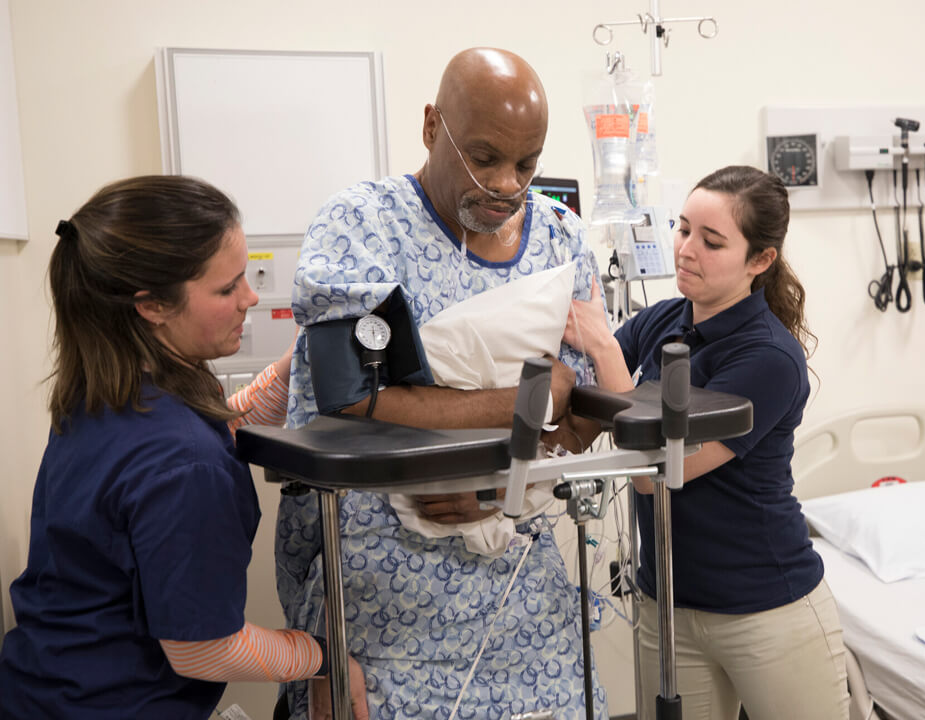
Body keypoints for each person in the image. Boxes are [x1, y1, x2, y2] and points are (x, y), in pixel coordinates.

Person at [275, 47, 608, 720]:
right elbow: (350, 397)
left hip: (518, 584)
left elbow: (582, 419)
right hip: (379, 591)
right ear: (432, 126)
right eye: (484, 158)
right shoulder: (362, 226)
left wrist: (498, 488)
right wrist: (525, 402)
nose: (506, 185)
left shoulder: (560, 239)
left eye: (527, 164)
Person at [0, 176, 368, 720]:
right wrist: (323, 655)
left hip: (44, 686)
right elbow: (204, 650)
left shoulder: (107, 390)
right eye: (227, 289)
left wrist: (291, 371)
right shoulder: (182, 462)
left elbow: (211, 428)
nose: (251, 298)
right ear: (152, 305)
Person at [563, 165, 851, 720]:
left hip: (767, 610)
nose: (686, 250)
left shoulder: (769, 358)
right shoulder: (661, 321)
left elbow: (653, 474)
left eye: (712, 241)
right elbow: (582, 401)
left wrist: (603, 347)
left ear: (760, 261)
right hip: (668, 605)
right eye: (682, 228)